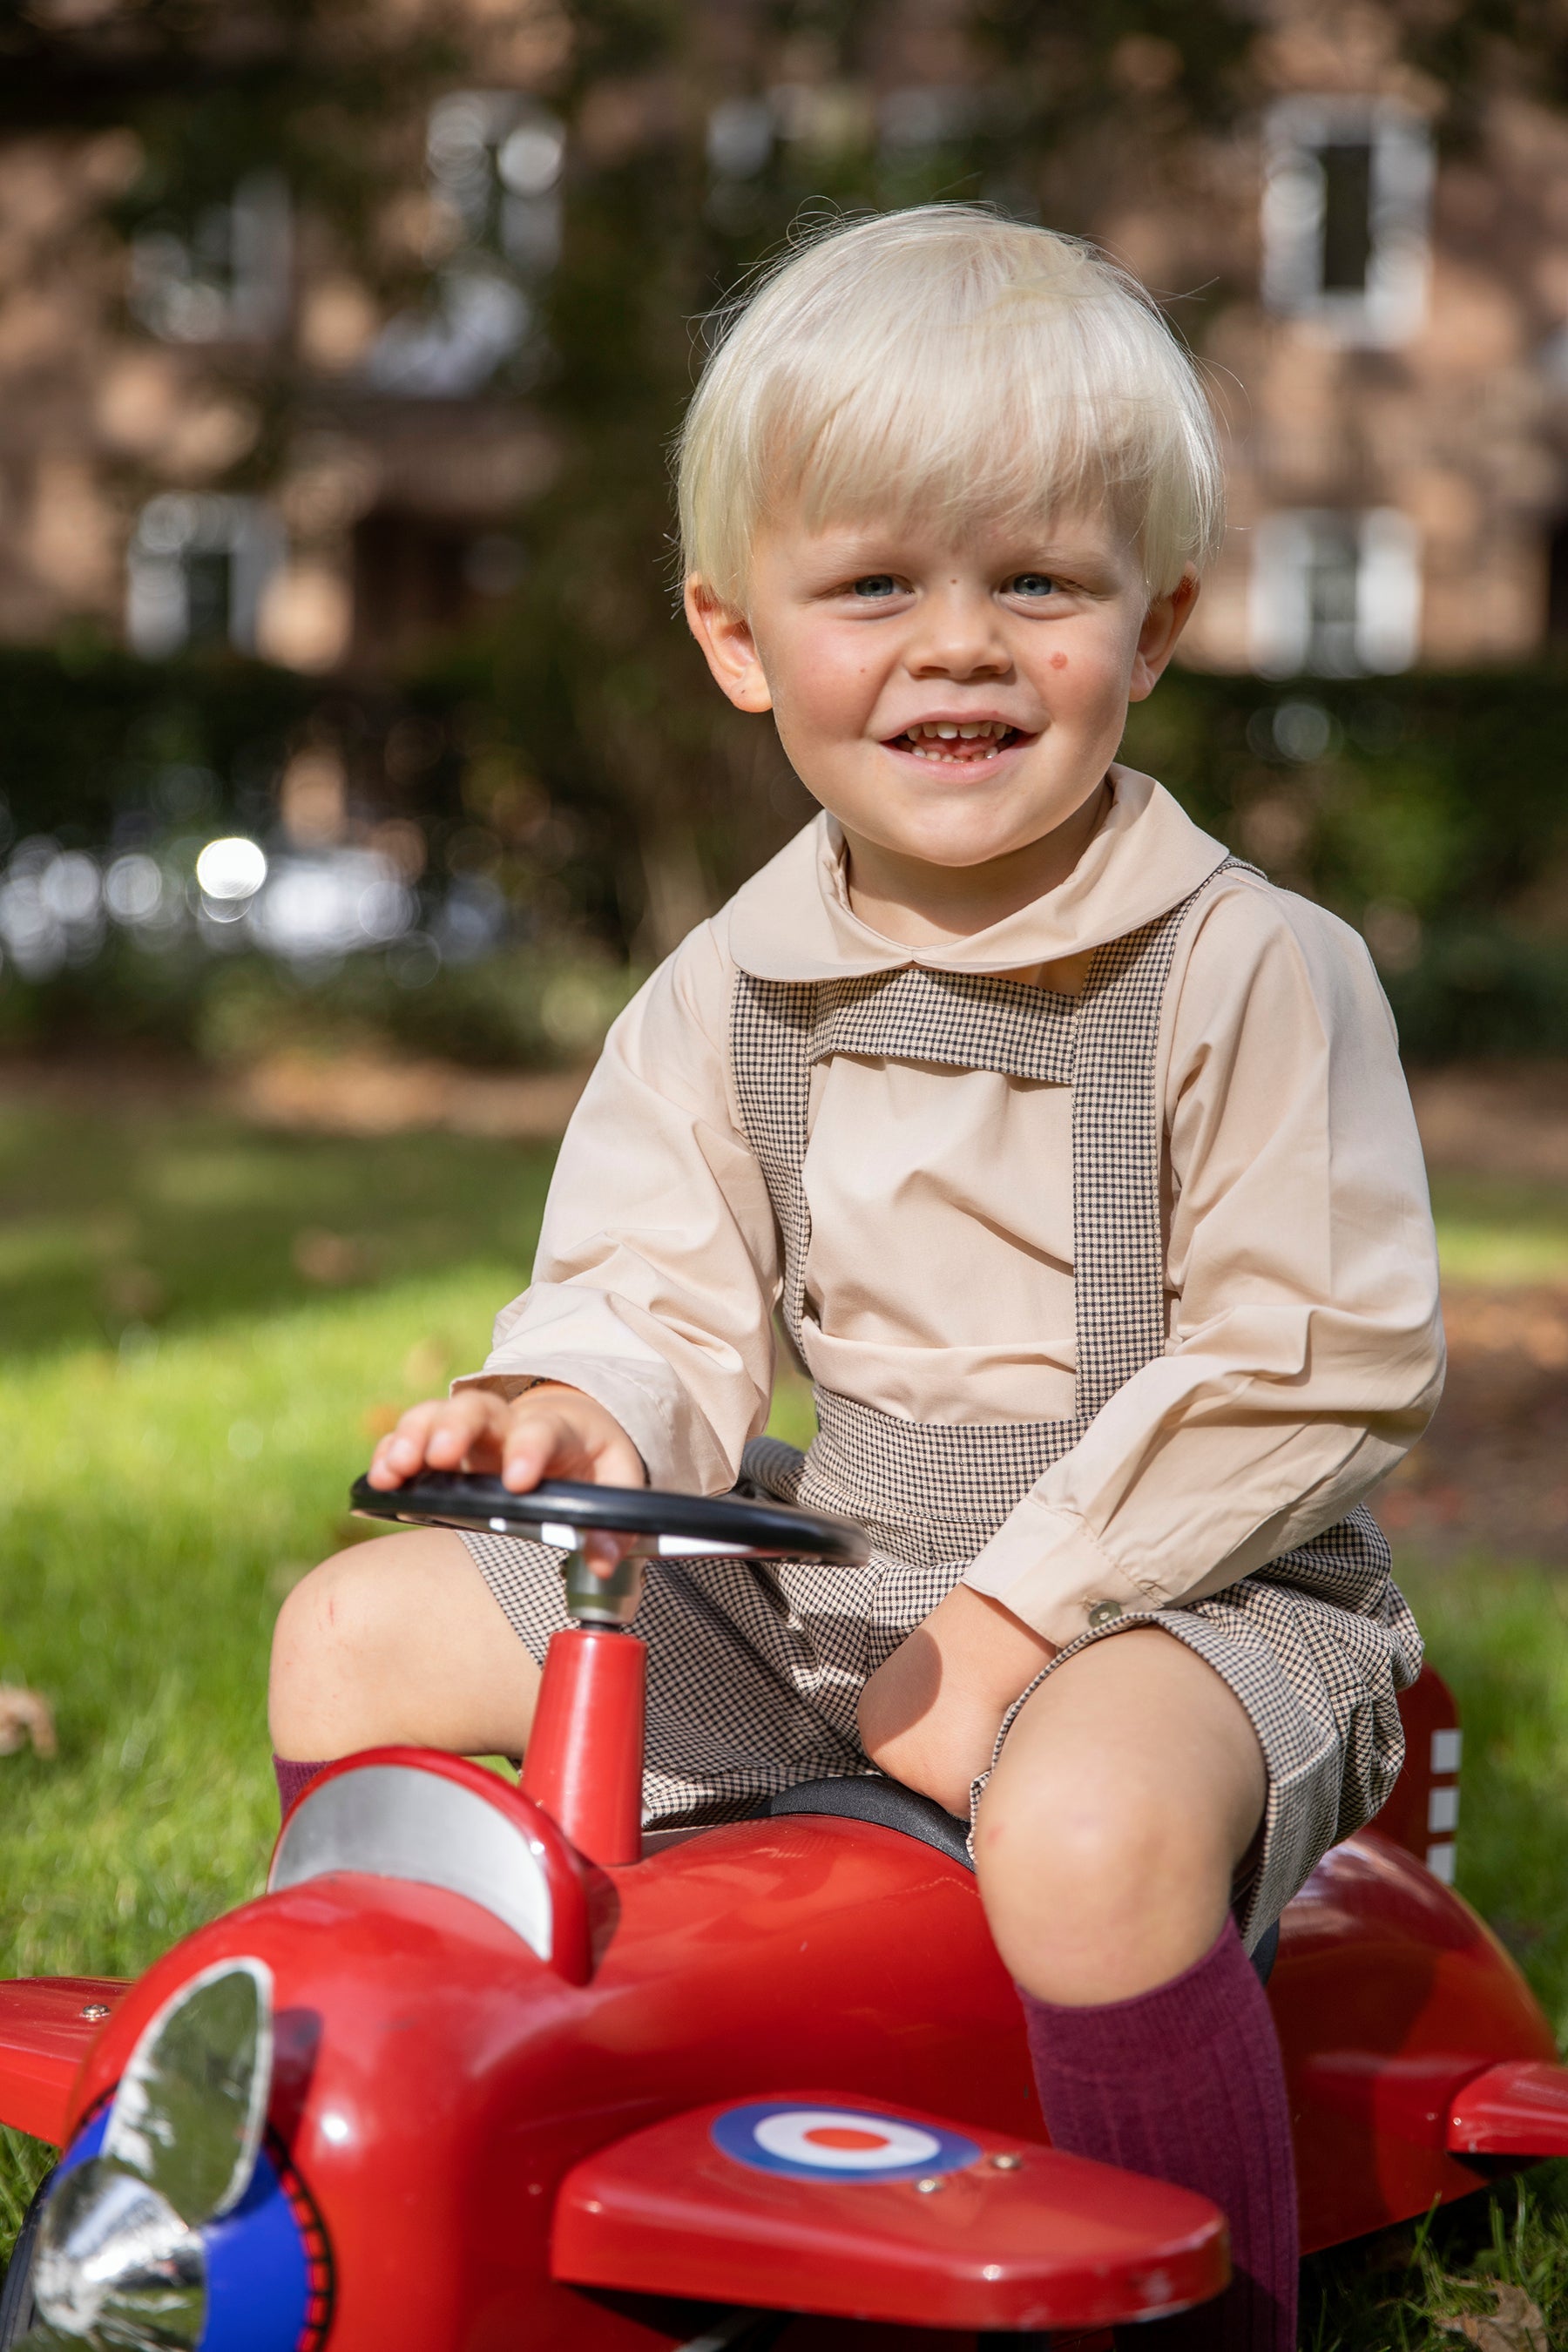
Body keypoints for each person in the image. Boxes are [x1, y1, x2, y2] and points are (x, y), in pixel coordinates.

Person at [267, 208, 1443, 2350]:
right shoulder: (728, 990)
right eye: (879, 584)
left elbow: (1314, 1360)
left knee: (1082, 1828)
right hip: (845, 1572)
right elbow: (652, 1277)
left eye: (1039, 583)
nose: (961, 648)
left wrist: (1024, 1617)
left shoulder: (1258, 967)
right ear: (739, 635)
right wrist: (579, 1411)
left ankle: (1198, 2301)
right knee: (357, 1640)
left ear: (1154, 619)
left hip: (1194, 1594)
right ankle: (408, 2168)